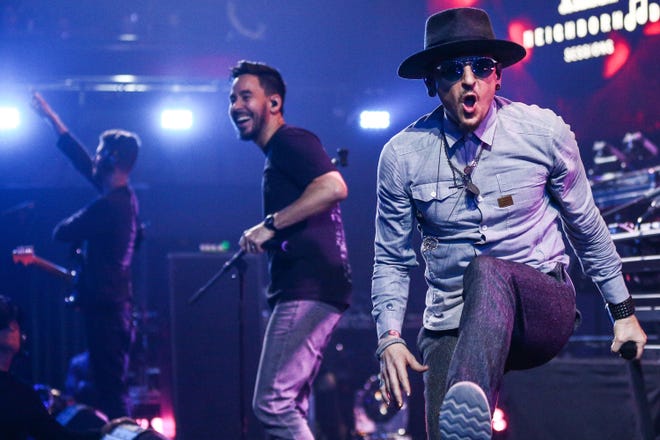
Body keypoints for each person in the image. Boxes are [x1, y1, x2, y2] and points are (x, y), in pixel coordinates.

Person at [370, 8, 647, 440]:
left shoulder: (543, 133)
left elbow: (586, 226)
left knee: (486, 268)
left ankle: (470, 395)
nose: (468, 79)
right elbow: (390, 259)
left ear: (498, 76)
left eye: (481, 67)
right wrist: (390, 337)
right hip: (453, 320)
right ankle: (466, 414)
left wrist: (623, 312)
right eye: (451, 70)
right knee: (448, 430)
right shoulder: (402, 157)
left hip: (539, 308)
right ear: (431, 83)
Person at [228, 60, 352, 439]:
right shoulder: (278, 153)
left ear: (275, 102)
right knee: (292, 403)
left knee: (272, 403)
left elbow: (334, 187)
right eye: (232, 99)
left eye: (246, 96)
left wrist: (269, 225)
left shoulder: (290, 141)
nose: (235, 106)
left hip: (307, 288)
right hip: (315, 288)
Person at [31, 92, 140, 419]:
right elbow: (81, 161)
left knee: (111, 393)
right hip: (111, 308)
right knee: (108, 388)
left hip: (108, 312)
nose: (94, 157)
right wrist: (53, 120)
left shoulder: (109, 206)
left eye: (99, 153)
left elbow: (63, 231)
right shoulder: (120, 197)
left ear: (110, 158)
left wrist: (76, 221)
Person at [0, 293, 101, 439]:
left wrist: (105, 432)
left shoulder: (21, 394)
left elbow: (58, 437)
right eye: (5, 321)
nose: (13, 327)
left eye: (14, 322)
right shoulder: (20, 394)